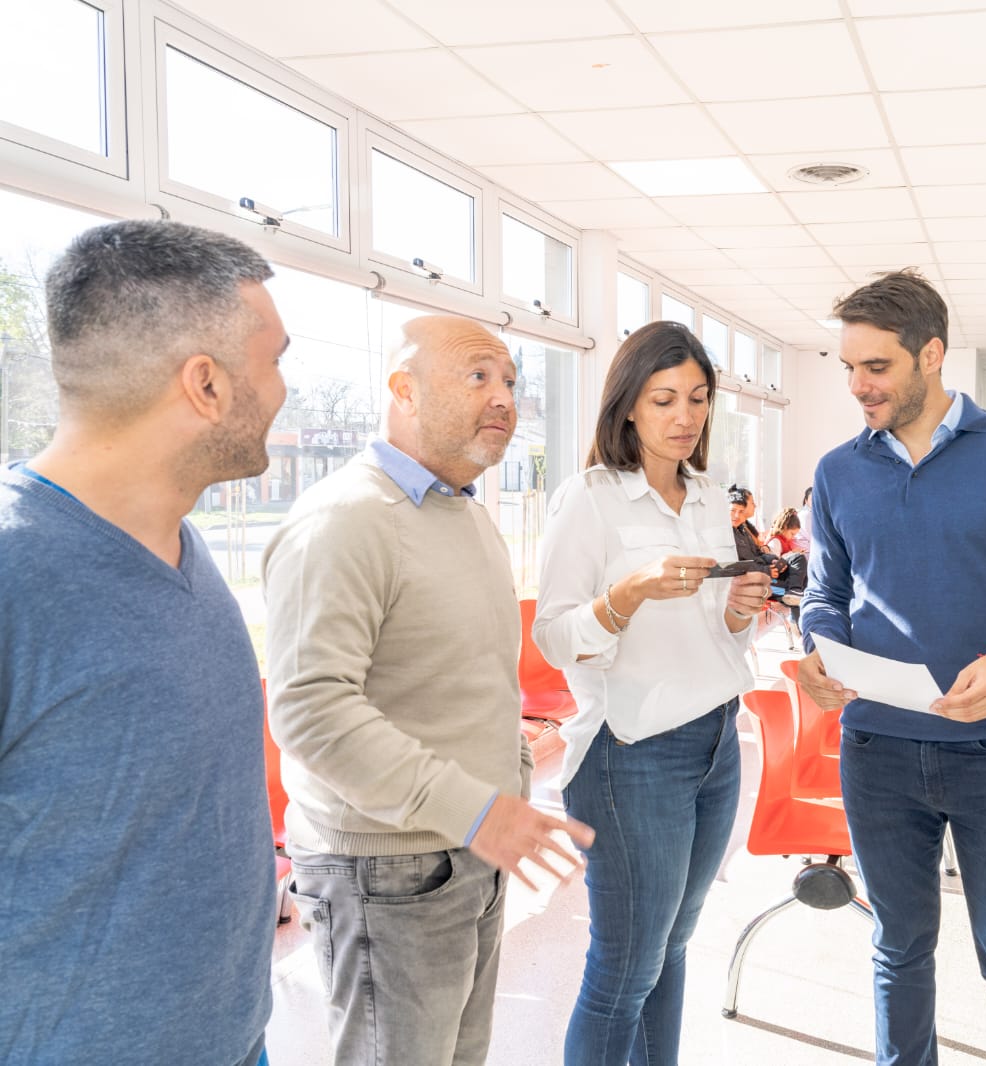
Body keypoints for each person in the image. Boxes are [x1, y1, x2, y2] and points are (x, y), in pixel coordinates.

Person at [263, 315, 592, 1066]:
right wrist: (479, 808)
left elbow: (460, 675)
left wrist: (502, 776)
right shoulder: (343, 521)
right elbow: (313, 714)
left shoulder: (465, 513)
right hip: (388, 871)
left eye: (510, 380)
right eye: (478, 376)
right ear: (402, 390)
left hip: (470, 848)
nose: (505, 397)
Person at [0, 220, 287, 1064]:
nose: (281, 390)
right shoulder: (16, 574)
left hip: (233, 1038)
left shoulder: (180, 544)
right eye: (274, 361)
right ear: (205, 383)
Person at [797, 269, 986, 1065]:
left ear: (931, 355)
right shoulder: (838, 472)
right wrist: (818, 651)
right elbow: (823, 593)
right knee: (898, 948)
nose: (859, 386)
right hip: (876, 752)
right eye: (849, 369)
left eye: (877, 367)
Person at [533, 320, 771, 1066]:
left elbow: (714, 636)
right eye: (664, 398)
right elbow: (552, 635)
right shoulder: (591, 499)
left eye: (698, 399)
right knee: (624, 968)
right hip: (630, 755)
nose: (684, 417)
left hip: (716, 744)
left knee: (671, 948)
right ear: (628, 405)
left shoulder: (707, 496)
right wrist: (625, 598)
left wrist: (736, 612)